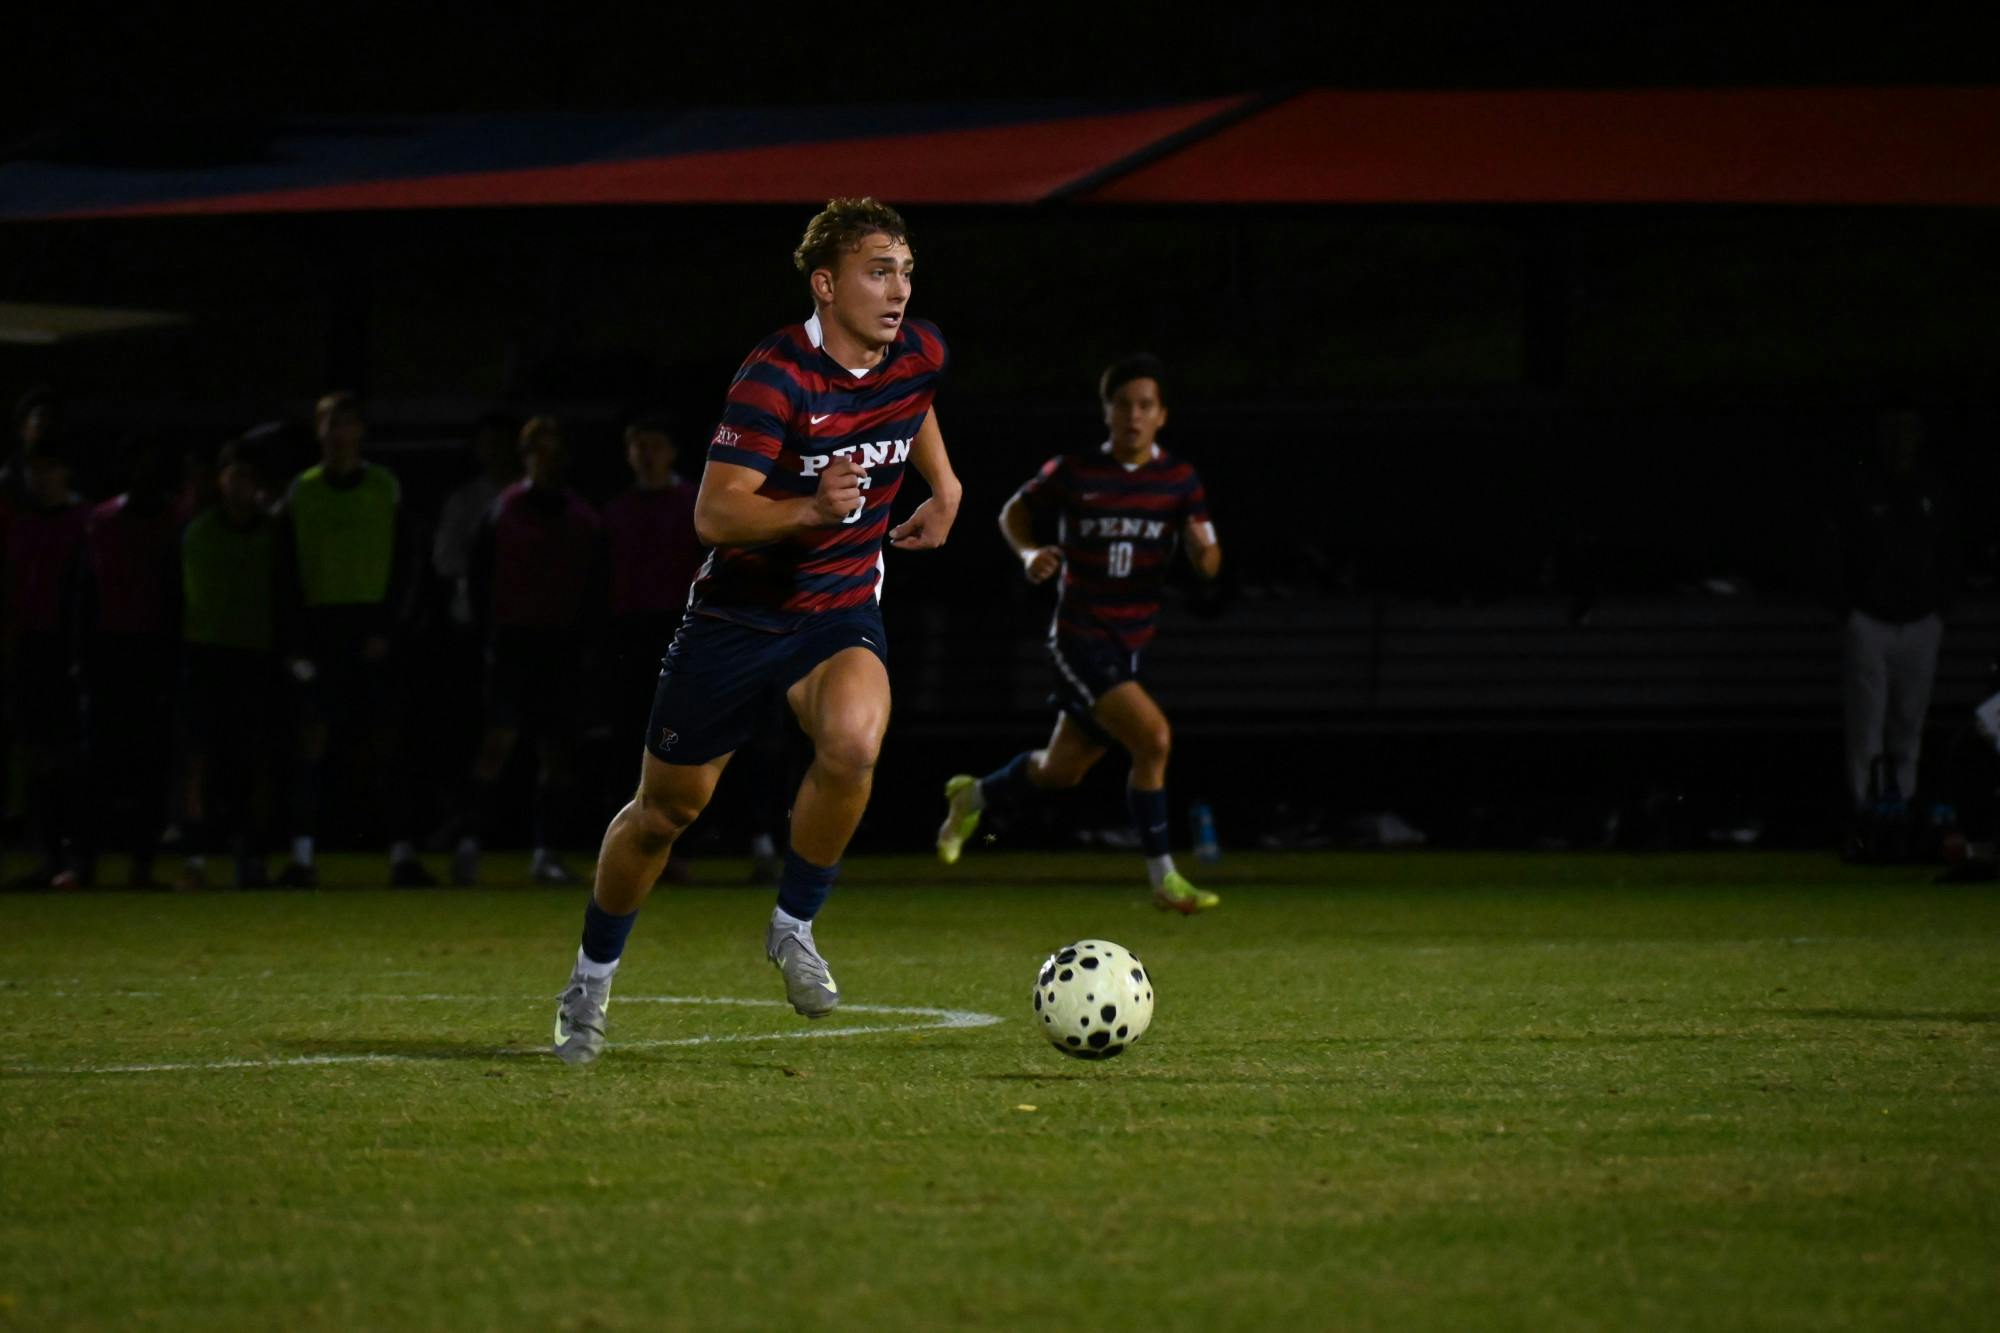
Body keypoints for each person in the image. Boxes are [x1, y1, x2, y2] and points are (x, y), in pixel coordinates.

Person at [550, 197, 961, 1064]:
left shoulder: (918, 346)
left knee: (853, 742)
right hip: (737, 619)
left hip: (840, 607)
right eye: (878, 270)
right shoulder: (773, 376)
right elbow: (713, 513)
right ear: (825, 283)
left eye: (906, 269)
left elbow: (910, 399)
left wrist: (948, 486)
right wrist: (810, 505)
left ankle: (792, 924)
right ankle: (588, 981)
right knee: (666, 812)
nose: (899, 288)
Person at [935, 354, 1223, 913]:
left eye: (1145, 406)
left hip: (1130, 645)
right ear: (1107, 412)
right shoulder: (1075, 471)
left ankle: (971, 795)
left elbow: (1210, 564)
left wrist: (1200, 551)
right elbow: (1012, 512)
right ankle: (1164, 878)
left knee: (1059, 771)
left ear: (1161, 415)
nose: (1134, 416)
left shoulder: (1179, 481)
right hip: (1079, 637)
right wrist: (1030, 553)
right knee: (1154, 739)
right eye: (1124, 405)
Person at [274, 391, 438, 887]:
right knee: (310, 743)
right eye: (328, 424)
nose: (337, 433)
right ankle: (302, 858)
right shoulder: (300, 492)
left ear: (360, 431)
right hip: (320, 628)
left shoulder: (384, 487)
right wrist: (294, 641)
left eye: (345, 423)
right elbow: (283, 572)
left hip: (372, 630)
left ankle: (402, 854)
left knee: (388, 743)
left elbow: (410, 563)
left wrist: (390, 629)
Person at [454, 416, 604, 886]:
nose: (547, 455)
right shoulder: (504, 509)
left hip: (561, 644)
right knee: (497, 743)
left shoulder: (583, 517)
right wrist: (489, 637)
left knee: (556, 750)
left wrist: (587, 642)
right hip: (513, 641)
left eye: (554, 446)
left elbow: (597, 585)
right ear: (525, 454)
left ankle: (546, 852)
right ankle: (468, 845)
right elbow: (479, 577)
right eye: (538, 447)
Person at [1828, 406, 1959, 846]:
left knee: (1908, 718)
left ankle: (1901, 806)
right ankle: (1866, 810)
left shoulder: (1931, 488)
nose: (1900, 441)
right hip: (1871, 618)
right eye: (1893, 430)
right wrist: (1849, 608)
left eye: (1908, 430)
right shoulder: (1862, 487)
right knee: (1868, 719)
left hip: (1921, 619)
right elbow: (1840, 549)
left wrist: (1940, 606)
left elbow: (1948, 549)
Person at [73, 436, 182, 888]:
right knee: (98, 763)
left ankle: (140, 862)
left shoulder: (174, 524)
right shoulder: (102, 521)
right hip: (109, 653)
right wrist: (82, 656)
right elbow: (83, 593)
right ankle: (85, 862)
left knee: (149, 765)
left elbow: (178, 596)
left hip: (154, 654)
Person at [177, 435, 284, 889]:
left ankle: (250, 855)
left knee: (252, 760)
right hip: (205, 654)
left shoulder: (273, 535)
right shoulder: (200, 531)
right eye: (233, 474)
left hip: (256, 656)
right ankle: (195, 854)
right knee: (198, 759)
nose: (241, 484)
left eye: (248, 476)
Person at [1, 431, 89, 888]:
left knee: (71, 757)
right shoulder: (21, 523)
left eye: (47, 469)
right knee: (36, 756)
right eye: (33, 470)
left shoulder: (83, 522)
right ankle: (48, 854)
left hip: (71, 647)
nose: (39, 478)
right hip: (30, 646)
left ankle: (75, 857)